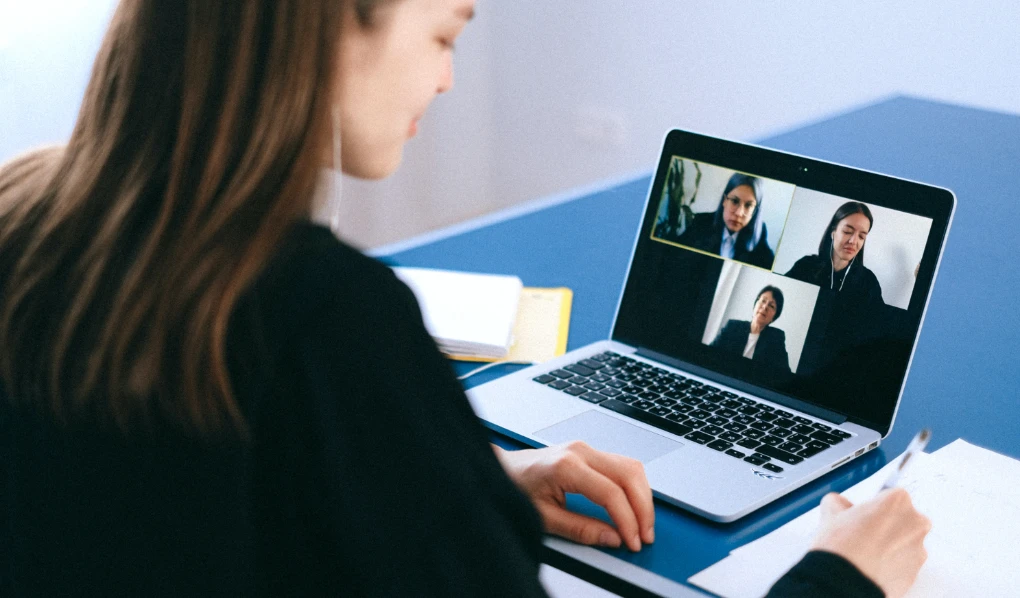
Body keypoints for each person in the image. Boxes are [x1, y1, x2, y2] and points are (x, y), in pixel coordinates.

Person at [0, 1, 929, 596]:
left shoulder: (24, 213)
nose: (447, 76)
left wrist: (464, 482)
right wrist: (837, 581)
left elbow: (192, 495)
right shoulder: (326, 316)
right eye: (444, 33)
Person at [785, 201, 883, 303]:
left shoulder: (868, 281)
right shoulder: (805, 266)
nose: (854, 241)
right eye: (847, 232)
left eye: (861, 236)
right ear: (833, 232)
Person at [677, 173, 776, 269]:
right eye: (734, 201)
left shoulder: (759, 234)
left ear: (755, 210)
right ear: (725, 200)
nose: (739, 213)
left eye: (748, 205)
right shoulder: (701, 222)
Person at [712, 285, 792, 375]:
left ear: (773, 318)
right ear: (755, 305)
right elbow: (710, 353)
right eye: (763, 301)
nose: (765, 307)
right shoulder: (732, 327)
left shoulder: (776, 338)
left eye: (771, 306)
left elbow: (784, 374)